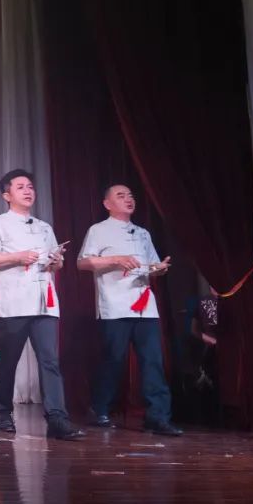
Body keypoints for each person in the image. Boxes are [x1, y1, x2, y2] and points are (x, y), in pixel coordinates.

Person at [0, 169, 84, 440]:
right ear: (7, 195)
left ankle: (57, 419)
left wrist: (56, 262)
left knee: (50, 360)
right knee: (9, 359)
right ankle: (3, 412)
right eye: (21, 187)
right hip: (13, 302)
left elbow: (55, 261)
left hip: (44, 302)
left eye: (30, 187)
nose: (28, 191)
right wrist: (17, 256)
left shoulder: (44, 227)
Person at [77, 184, 182, 435]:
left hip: (145, 305)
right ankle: (99, 409)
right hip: (115, 305)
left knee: (153, 361)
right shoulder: (98, 230)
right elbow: (83, 262)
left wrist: (159, 268)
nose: (128, 199)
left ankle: (158, 416)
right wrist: (115, 259)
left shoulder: (143, 233)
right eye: (121, 196)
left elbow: (151, 265)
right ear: (107, 204)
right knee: (113, 359)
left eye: (131, 195)